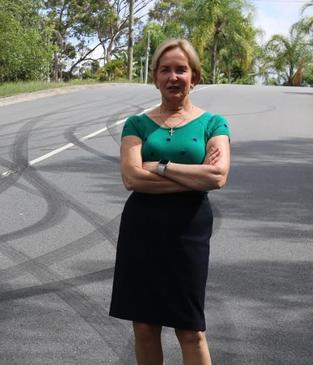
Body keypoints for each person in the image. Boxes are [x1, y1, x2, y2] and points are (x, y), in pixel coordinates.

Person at [109, 38, 231, 365]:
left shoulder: (213, 123)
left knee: (190, 329)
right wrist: (194, 176)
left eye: (181, 69)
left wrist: (162, 167)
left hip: (189, 230)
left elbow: (217, 177)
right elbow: (132, 178)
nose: (173, 77)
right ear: (155, 77)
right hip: (142, 229)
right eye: (165, 70)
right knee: (145, 325)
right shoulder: (136, 124)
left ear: (195, 77)